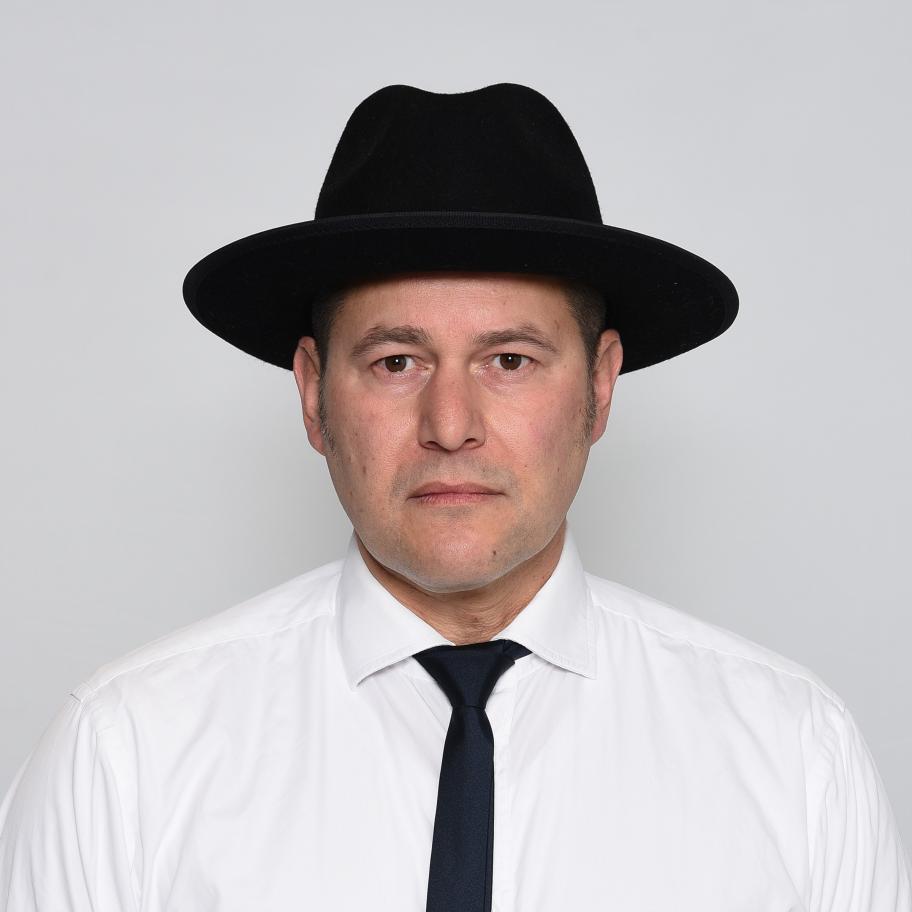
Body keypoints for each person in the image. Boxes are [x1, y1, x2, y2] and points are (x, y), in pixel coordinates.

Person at [1, 83, 909, 911]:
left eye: (509, 360)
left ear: (600, 386)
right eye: (396, 362)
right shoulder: (125, 756)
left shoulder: (793, 755)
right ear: (313, 395)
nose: (450, 424)